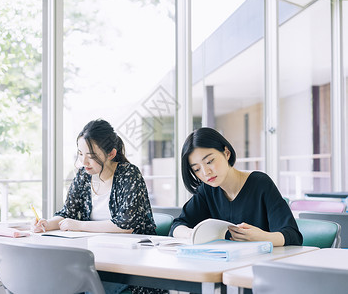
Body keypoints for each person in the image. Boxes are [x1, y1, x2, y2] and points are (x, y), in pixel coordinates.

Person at [33, 119, 166, 294]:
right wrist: (46, 224)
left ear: (111, 153)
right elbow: (68, 214)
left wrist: (79, 225)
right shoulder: (83, 176)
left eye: (92, 156)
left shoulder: (128, 174)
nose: (84, 162)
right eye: (80, 154)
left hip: (130, 267)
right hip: (95, 260)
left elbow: (125, 226)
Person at [170, 127, 302, 247]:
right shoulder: (207, 190)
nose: (205, 172)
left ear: (226, 153)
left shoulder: (260, 183)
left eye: (209, 161)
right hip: (223, 264)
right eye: (197, 169)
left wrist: (262, 237)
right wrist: (193, 234)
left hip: (260, 265)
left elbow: (293, 235)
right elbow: (177, 226)